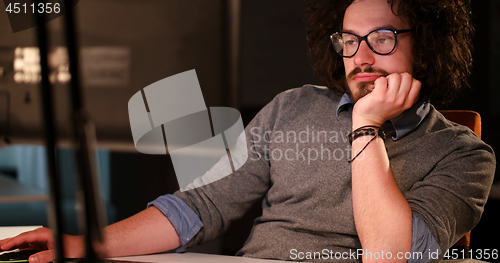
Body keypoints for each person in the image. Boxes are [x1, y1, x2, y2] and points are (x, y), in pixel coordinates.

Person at [1, 0, 496, 262]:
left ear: (428, 48)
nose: (361, 57)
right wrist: (85, 246)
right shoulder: (293, 108)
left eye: (381, 39)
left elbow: (389, 258)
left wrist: (366, 126)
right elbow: (204, 205)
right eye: (349, 40)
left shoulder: (464, 156)